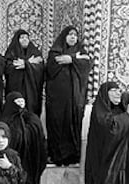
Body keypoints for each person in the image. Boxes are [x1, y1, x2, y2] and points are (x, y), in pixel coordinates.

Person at [2, 92, 47, 184]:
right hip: (14, 163)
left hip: (31, 162)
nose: (20, 104)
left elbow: (40, 137)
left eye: (22, 101)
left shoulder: (32, 118)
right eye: (17, 102)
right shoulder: (6, 121)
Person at [46, 26, 91, 166]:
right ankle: (57, 156)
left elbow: (87, 64)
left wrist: (71, 59)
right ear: (64, 36)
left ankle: (73, 155)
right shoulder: (55, 52)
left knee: (73, 125)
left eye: (75, 35)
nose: (72, 37)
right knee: (58, 125)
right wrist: (75, 59)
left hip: (75, 100)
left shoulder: (81, 52)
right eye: (70, 34)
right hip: (57, 100)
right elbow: (52, 67)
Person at [5, 29, 45, 116]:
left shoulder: (35, 53)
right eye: (22, 37)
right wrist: (29, 63)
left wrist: (25, 64)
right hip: (16, 89)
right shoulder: (11, 53)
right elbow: (8, 68)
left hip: (32, 92)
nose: (25, 39)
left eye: (27, 37)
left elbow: (40, 69)